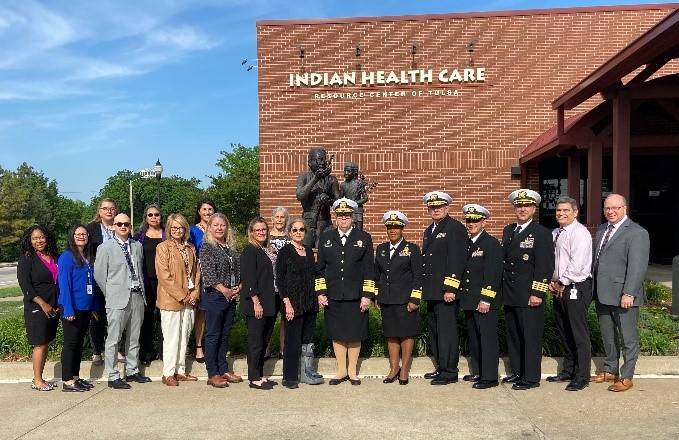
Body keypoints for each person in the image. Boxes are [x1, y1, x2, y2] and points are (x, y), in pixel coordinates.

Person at [591, 193, 649, 392]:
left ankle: (626, 376)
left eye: (615, 208)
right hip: (602, 292)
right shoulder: (601, 230)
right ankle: (610, 369)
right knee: (608, 335)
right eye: (607, 208)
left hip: (624, 295)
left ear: (624, 209)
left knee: (628, 337)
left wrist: (629, 293)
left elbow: (637, 267)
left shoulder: (637, 233)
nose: (610, 211)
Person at [316, 198, 375, 386]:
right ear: (335, 217)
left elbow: (369, 270)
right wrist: (321, 292)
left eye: (347, 215)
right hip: (333, 294)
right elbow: (319, 269)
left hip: (356, 295)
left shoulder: (363, 238)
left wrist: (367, 295)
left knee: (355, 332)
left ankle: (352, 371)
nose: (343, 218)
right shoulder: (326, 238)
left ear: (352, 217)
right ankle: (341, 370)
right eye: (340, 215)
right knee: (337, 332)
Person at [501, 189, 554, 391]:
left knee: (530, 337)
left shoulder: (541, 233)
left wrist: (538, 293)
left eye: (527, 206)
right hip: (511, 293)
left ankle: (531, 377)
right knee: (514, 335)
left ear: (534, 208)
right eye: (519, 206)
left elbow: (544, 266)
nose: (522, 209)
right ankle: (518, 371)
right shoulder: (509, 230)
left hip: (529, 295)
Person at [94, 213, 151, 389]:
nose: (123, 227)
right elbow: (99, 276)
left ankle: (132, 370)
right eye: (119, 224)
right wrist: (111, 293)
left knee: (134, 337)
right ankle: (113, 375)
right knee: (114, 339)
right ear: (114, 226)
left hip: (137, 296)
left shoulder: (137, 246)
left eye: (126, 224)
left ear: (130, 226)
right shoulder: (105, 248)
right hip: (117, 299)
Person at [420, 191, 468, 385]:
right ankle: (441, 367)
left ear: (447, 208)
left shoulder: (454, 228)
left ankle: (450, 371)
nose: (436, 209)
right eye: (432, 207)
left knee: (447, 333)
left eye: (439, 206)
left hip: (446, 291)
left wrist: (451, 288)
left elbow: (457, 260)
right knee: (435, 331)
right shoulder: (429, 230)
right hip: (432, 291)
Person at [547, 196, 593, 392]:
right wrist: (552, 281)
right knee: (564, 331)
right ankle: (568, 369)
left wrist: (562, 282)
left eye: (566, 210)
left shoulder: (580, 233)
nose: (561, 213)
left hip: (575, 287)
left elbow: (578, 262)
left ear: (575, 213)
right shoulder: (555, 232)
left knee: (578, 332)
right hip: (558, 287)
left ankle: (582, 375)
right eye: (558, 210)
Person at [373, 210, 422, 385]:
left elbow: (418, 276)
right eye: (390, 227)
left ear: (402, 228)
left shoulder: (412, 249)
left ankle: (405, 370)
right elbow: (377, 275)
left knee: (406, 335)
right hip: (386, 300)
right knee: (391, 334)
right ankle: (394, 368)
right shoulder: (381, 249)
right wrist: (377, 295)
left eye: (396, 227)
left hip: (405, 300)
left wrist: (415, 299)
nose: (393, 230)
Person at [458, 204, 503, 390]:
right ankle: (478, 371)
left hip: (484, 302)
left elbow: (493, 274)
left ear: (483, 222)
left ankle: (490, 376)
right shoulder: (468, 243)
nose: (471, 224)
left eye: (475, 220)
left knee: (487, 339)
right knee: (475, 339)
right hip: (470, 300)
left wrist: (486, 300)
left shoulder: (490, 243)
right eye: (468, 221)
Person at [155, 214, 201, 386]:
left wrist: (195, 293)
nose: (177, 230)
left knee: (184, 336)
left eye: (180, 227)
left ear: (185, 229)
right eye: (174, 227)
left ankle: (180, 370)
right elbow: (164, 275)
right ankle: (168, 373)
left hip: (190, 299)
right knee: (172, 337)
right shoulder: (163, 248)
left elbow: (196, 272)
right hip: (171, 299)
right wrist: (182, 295)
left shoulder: (190, 248)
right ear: (169, 229)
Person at [276, 218, 323, 388]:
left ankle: (306, 372)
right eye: (294, 230)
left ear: (305, 232)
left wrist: (319, 295)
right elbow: (280, 281)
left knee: (307, 340)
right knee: (292, 341)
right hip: (293, 304)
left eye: (301, 230)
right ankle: (289, 377)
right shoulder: (285, 252)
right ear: (290, 232)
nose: (298, 232)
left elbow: (315, 276)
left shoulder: (309, 252)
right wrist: (287, 304)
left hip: (309, 303)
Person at [200, 213, 242, 388]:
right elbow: (208, 274)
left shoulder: (231, 249)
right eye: (215, 225)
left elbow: (239, 271)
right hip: (215, 296)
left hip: (230, 297)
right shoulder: (207, 248)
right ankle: (213, 372)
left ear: (227, 228)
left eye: (222, 225)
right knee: (213, 335)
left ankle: (223, 369)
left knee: (225, 335)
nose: (219, 228)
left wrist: (239, 286)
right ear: (209, 228)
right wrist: (224, 289)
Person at [17, 225, 60, 392]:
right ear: (29, 241)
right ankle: (37, 380)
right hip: (37, 307)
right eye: (34, 238)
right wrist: (43, 304)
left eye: (41, 237)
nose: (38, 241)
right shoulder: (27, 258)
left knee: (46, 341)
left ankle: (41, 378)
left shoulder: (53, 256)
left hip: (53, 306)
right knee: (40, 343)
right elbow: (25, 285)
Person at [58, 224, 98, 392]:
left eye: (84, 234)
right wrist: (67, 309)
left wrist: (94, 305)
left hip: (86, 307)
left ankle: (75, 377)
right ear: (72, 237)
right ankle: (67, 380)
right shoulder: (67, 257)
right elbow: (64, 285)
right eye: (78, 234)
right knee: (71, 344)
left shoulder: (87, 256)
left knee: (79, 343)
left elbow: (91, 283)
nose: (82, 236)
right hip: (72, 307)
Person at [240, 217, 279, 390]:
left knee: (264, 341)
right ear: (251, 233)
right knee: (256, 342)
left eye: (264, 229)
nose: (261, 232)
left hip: (270, 302)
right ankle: (254, 377)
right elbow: (249, 278)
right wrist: (256, 302)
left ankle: (261, 374)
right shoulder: (250, 251)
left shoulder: (267, 250)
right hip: (256, 303)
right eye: (257, 230)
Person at [86, 198, 118, 366]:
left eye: (112, 208)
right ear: (99, 211)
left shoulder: (121, 227)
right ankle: (97, 351)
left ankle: (116, 349)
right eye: (105, 208)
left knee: (116, 315)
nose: (109, 211)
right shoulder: (91, 229)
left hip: (117, 278)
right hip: (97, 277)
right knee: (97, 316)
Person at [133, 204, 166, 365]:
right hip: (145, 281)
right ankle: (146, 352)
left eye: (157, 214)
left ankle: (163, 351)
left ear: (161, 217)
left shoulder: (167, 235)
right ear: (146, 218)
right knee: (145, 317)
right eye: (150, 215)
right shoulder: (139, 237)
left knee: (164, 317)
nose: (154, 217)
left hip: (164, 282)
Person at [189, 198, 217, 364]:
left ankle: (213, 346)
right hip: (200, 275)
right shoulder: (193, 231)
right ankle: (199, 346)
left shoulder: (218, 228)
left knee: (215, 311)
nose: (207, 212)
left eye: (210, 209)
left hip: (217, 275)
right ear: (199, 212)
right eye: (204, 209)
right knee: (202, 312)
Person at [296, 147, 340, 248]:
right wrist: (315, 178)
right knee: (305, 250)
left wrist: (329, 201)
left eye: (324, 159)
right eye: (319, 159)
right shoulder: (303, 177)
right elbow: (300, 195)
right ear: (310, 162)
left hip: (325, 223)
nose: (322, 162)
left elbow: (339, 203)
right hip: (307, 223)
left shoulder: (331, 180)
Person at [265, 206, 290, 361]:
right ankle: (266, 349)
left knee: (286, 319)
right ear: (272, 219)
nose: (280, 220)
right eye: (277, 217)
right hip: (269, 284)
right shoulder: (266, 238)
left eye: (282, 217)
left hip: (286, 284)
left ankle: (284, 349)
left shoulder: (290, 237)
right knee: (268, 318)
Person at [339, 162, 368, 230]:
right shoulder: (343, 185)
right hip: (347, 210)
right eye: (345, 171)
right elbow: (339, 199)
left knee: (358, 232)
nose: (346, 173)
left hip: (358, 211)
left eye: (348, 171)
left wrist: (355, 203)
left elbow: (365, 198)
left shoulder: (359, 183)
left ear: (354, 172)